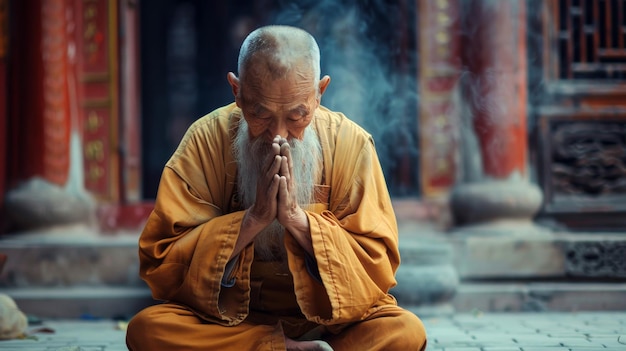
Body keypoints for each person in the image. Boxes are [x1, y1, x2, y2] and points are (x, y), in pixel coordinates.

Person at [125, 25, 427, 351]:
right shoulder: (205, 140)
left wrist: (298, 220)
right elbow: (162, 260)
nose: (278, 134)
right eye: (261, 114)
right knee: (147, 330)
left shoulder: (350, 144)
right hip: (233, 321)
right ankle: (284, 348)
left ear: (319, 92)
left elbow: (377, 265)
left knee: (404, 332)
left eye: (297, 115)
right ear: (236, 91)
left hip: (329, 321)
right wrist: (252, 220)